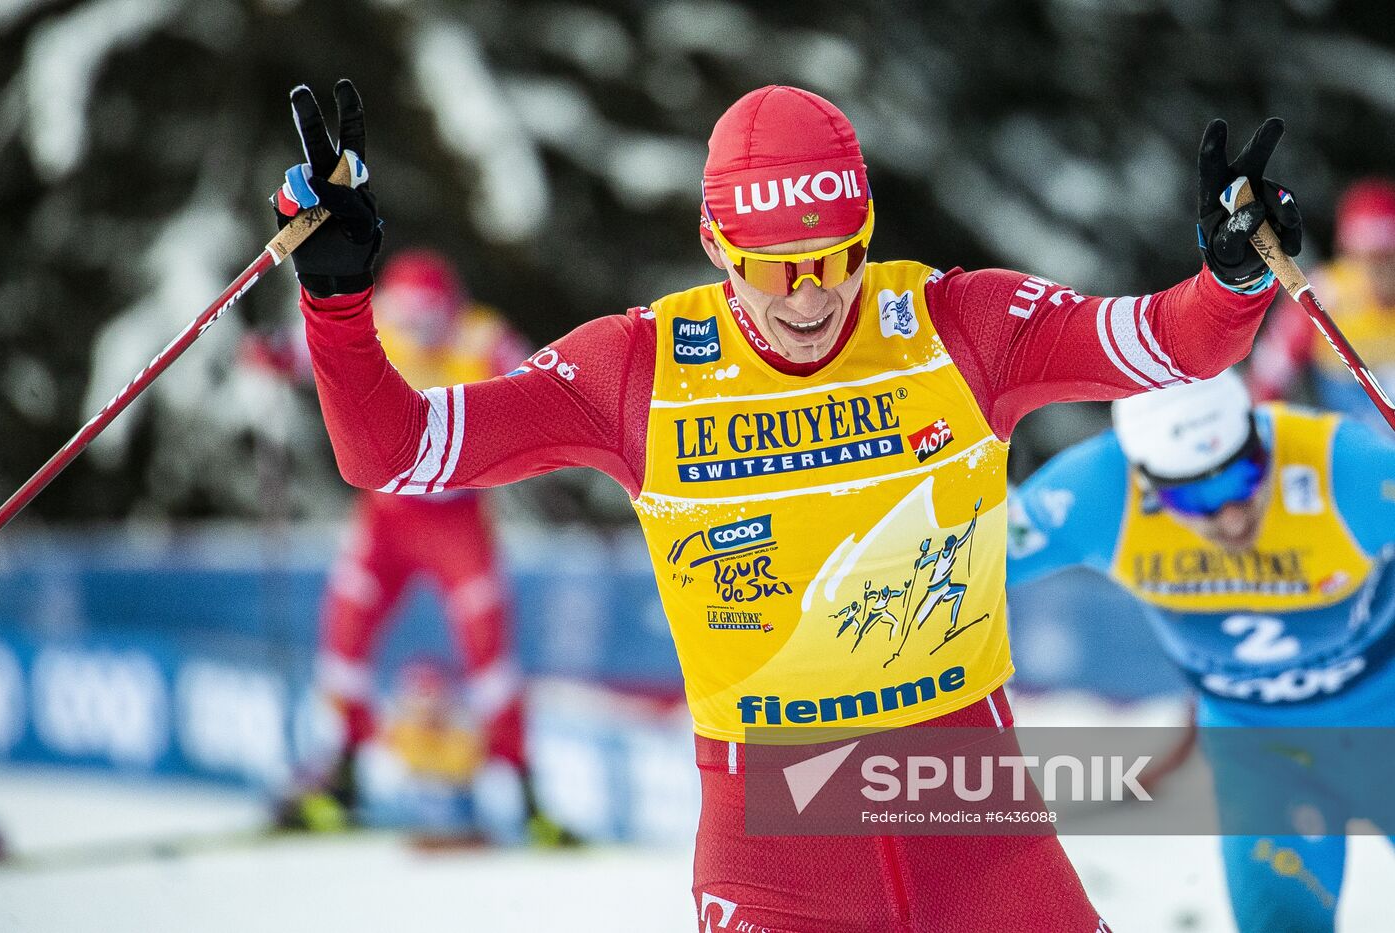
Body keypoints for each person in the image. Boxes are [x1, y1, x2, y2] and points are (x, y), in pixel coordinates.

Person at [270, 78, 1302, 930]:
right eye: (775, 270)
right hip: (775, 835)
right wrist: (336, 303)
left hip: (970, 816)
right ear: (718, 247)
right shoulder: (640, 370)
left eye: (835, 259)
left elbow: (1172, 346)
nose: (810, 298)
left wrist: (1226, 276)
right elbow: (391, 451)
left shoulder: (957, 325)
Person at [1007, 370, 1395, 932]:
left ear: (1256, 433)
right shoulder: (1098, 491)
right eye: (1197, 495)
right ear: (1146, 480)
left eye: (1242, 476)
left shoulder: (1344, 467)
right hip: (1263, 756)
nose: (1231, 515)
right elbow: (961, 560)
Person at [272, 248, 563, 842]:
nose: (419, 335)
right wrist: (273, 355)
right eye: (408, 319)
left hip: (456, 517)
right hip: (389, 514)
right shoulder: (376, 321)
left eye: (431, 320)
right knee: (346, 634)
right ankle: (343, 775)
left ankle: (527, 796)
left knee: (490, 656)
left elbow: (546, 379)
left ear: (452, 311)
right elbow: (317, 348)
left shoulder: (482, 335)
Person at [1250, 177, 1395, 428]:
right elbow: (1266, 380)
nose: (1374, 271)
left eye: (1386, 257)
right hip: (1348, 447)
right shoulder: (1322, 296)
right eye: (1360, 257)